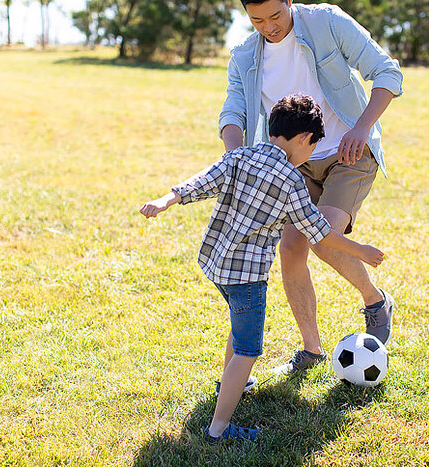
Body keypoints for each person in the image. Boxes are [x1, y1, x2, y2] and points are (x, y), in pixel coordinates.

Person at [139, 95, 385, 442]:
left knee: (240, 328)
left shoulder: (240, 156)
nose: (310, 154)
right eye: (313, 145)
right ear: (303, 139)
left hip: (217, 265)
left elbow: (199, 183)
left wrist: (165, 201)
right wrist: (359, 248)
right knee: (248, 350)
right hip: (248, 278)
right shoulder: (292, 181)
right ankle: (219, 428)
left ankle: (229, 384)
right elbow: (319, 230)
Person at [219, 0, 404, 374]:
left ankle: (374, 300)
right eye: (257, 20)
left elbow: (386, 72)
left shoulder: (326, 22)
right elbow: (232, 112)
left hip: (348, 152)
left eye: (275, 15)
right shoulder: (244, 56)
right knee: (290, 248)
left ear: (289, 1)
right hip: (295, 163)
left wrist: (361, 127)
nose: (269, 26)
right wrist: (236, 157)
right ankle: (312, 350)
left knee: (322, 236)